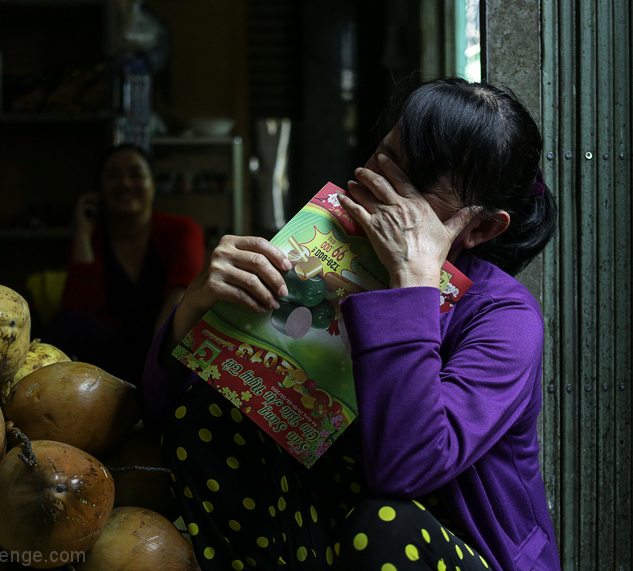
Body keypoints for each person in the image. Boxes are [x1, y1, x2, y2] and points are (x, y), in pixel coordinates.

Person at [140, 77, 561, 571]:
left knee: (383, 525)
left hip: (445, 548)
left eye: (414, 187)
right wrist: (194, 309)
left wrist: (413, 284)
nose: (377, 192)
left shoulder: (504, 319)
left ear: (482, 228)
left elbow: (407, 471)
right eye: (383, 160)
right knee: (207, 419)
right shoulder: (321, 258)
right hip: (327, 535)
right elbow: (163, 416)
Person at [42, 144, 205, 386]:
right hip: (111, 355)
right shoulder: (94, 239)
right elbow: (78, 311)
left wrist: (155, 370)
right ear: (99, 190)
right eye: (112, 176)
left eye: (136, 174)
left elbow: (182, 301)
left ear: (152, 184)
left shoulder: (181, 230)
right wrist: (83, 233)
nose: (125, 184)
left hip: (166, 348)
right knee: (65, 323)